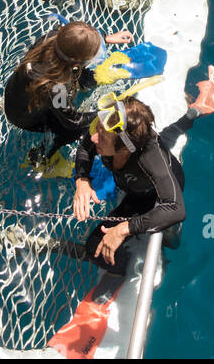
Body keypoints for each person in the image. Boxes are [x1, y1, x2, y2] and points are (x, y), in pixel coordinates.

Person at [73, 96, 195, 276]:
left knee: (95, 248)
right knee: (169, 135)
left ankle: (129, 272)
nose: (94, 137)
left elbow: (176, 209)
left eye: (102, 138)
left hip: (153, 196)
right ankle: (193, 113)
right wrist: (82, 179)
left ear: (124, 148)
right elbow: (85, 147)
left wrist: (123, 229)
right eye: (96, 129)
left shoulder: (149, 159)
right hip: (134, 185)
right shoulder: (108, 125)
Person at [4, 19, 133, 154]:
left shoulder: (53, 37)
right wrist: (103, 114)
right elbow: (72, 121)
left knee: (83, 76)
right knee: (75, 131)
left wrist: (105, 38)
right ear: (77, 60)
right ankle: (43, 156)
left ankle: (85, 80)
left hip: (17, 92)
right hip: (24, 117)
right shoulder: (56, 88)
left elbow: (75, 40)